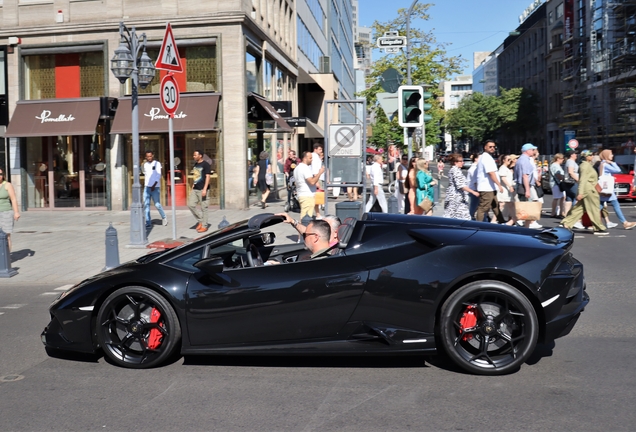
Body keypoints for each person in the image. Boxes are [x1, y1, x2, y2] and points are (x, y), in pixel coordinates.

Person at [561, 150, 609, 235]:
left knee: (580, 208)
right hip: (588, 189)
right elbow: (583, 180)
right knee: (594, 208)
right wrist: (580, 192)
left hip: (588, 188)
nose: (592, 156)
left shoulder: (587, 165)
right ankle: (598, 228)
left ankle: (566, 223)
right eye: (591, 155)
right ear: (586, 157)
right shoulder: (585, 166)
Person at [597, 149, 636, 230]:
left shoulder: (602, 164)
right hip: (607, 189)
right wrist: (612, 163)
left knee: (600, 206)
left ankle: (591, 221)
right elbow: (618, 170)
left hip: (605, 188)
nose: (612, 156)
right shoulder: (606, 164)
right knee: (615, 205)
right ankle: (625, 223)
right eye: (611, 154)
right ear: (606, 155)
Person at [475, 140, 506, 224]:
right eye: (490, 147)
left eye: (494, 147)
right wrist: (499, 185)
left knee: (495, 206)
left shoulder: (487, 157)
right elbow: (491, 173)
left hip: (490, 187)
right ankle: (478, 224)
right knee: (483, 207)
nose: (492, 148)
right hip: (486, 188)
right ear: (485, 147)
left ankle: (502, 221)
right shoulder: (486, 158)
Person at [514, 143, 542, 228]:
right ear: (527, 150)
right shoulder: (525, 160)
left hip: (522, 185)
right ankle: (521, 224)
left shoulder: (521, 159)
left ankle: (526, 225)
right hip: (524, 185)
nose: (533, 151)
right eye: (532, 150)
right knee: (527, 207)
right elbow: (525, 176)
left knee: (526, 207)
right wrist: (527, 190)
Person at [444, 154, 479, 220]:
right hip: (455, 198)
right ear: (455, 162)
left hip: (458, 198)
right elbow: (461, 185)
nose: (463, 162)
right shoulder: (455, 171)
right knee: (451, 216)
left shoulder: (456, 170)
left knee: (462, 216)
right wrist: (473, 192)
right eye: (461, 161)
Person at [294, 151, 324, 223]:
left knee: (305, 217)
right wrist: (320, 172)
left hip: (302, 194)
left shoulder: (297, 168)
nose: (312, 160)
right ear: (305, 158)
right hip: (307, 196)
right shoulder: (305, 168)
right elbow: (312, 182)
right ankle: (303, 233)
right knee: (305, 218)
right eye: (310, 158)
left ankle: (302, 232)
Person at [142, 151, 167, 229]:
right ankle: (148, 222)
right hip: (147, 187)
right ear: (146, 157)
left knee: (157, 204)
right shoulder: (145, 165)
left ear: (152, 156)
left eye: (150, 156)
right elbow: (145, 174)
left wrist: (154, 185)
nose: (149, 158)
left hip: (155, 187)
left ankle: (164, 217)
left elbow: (159, 175)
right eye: (147, 156)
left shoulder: (157, 163)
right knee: (146, 205)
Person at [188, 150, 211, 233]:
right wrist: (193, 185)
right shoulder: (196, 164)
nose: (193, 156)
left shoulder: (206, 164)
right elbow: (196, 175)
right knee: (190, 205)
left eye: (195, 155)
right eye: (193, 155)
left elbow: (208, 177)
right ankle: (201, 220)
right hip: (195, 188)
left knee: (204, 207)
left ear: (200, 155)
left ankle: (204, 226)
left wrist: (205, 189)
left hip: (202, 189)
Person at [0, 169, 20, 252]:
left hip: (6, 213)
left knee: (6, 235)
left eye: (1, 174)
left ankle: (6, 257)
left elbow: (13, 199)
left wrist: (16, 212)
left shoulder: (7, 185)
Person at [497, 154, 517, 225]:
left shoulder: (506, 168)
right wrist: (510, 186)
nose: (510, 161)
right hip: (504, 189)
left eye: (510, 159)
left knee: (508, 204)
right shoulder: (502, 168)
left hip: (507, 189)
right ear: (503, 160)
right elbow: (503, 178)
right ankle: (513, 219)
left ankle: (512, 220)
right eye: (508, 160)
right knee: (502, 204)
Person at [549, 153, 566, 218]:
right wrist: (562, 179)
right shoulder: (555, 165)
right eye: (562, 159)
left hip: (558, 183)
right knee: (556, 198)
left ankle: (561, 212)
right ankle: (553, 213)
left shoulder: (557, 165)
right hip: (556, 183)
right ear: (558, 159)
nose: (563, 160)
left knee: (562, 197)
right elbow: (557, 174)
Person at [311, 143, 324, 218]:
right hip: (317, 177)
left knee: (317, 196)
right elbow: (314, 169)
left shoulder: (316, 156)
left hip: (318, 177)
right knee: (317, 196)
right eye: (319, 149)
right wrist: (316, 181)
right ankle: (317, 214)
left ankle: (318, 213)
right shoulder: (314, 157)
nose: (321, 150)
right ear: (315, 149)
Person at [466, 154, 480, 220]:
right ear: (476, 159)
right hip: (474, 190)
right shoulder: (474, 168)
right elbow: (475, 181)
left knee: (476, 206)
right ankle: (470, 219)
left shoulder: (476, 167)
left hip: (474, 189)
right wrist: (478, 190)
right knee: (474, 206)